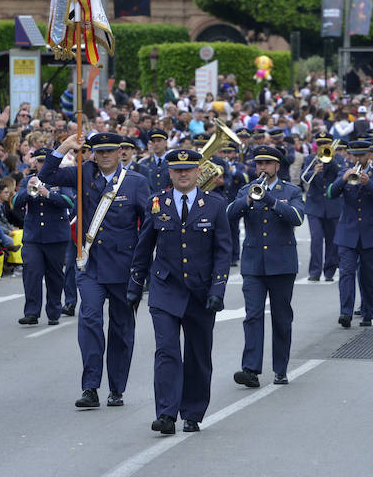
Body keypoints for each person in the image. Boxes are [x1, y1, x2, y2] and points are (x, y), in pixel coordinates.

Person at [39, 132, 150, 409]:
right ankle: (90, 387)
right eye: (98, 152)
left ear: (120, 153)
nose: (104, 157)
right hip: (90, 265)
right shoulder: (83, 174)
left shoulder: (136, 182)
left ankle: (116, 388)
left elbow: (147, 227)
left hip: (124, 268)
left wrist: (144, 267)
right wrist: (65, 146)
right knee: (89, 321)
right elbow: (47, 176)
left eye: (109, 152)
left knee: (122, 330)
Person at [128, 149, 231, 435]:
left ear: (199, 172)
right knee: (167, 350)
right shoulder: (156, 203)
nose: (183, 174)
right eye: (177, 170)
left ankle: (193, 411)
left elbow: (223, 251)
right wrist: (134, 287)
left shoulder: (214, 204)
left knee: (198, 354)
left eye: (188, 169)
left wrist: (218, 289)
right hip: (165, 288)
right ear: (169, 173)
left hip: (200, 291)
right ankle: (166, 414)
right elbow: (144, 247)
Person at [227, 146, 304, 387]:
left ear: (277, 167)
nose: (262, 167)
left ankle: (280, 368)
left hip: (282, 265)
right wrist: (248, 199)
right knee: (253, 316)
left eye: (267, 163)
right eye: (258, 163)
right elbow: (229, 214)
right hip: (253, 265)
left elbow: (297, 218)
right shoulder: (245, 189)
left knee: (281, 318)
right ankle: (250, 369)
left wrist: (269, 199)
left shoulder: (291, 190)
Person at [327, 141, 373, 327]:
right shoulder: (343, 173)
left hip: (370, 233)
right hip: (348, 234)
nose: (357, 159)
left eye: (361, 156)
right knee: (346, 273)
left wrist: (369, 184)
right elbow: (331, 193)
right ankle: (345, 312)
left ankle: (368, 312)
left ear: (368, 156)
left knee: (368, 275)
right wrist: (343, 179)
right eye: (354, 155)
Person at [13, 148, 75, 326]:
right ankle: (31, 312)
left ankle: (54, 311)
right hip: (33, 236)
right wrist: (29, 189)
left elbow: (69, 202)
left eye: (44, 162)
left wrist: (48, 194)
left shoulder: (61, 179)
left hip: (55, 236)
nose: (41, 165)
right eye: (39, 162)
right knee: (31, 272)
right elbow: (16, 203)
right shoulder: (28, 180)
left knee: (54, 276)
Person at [302, 132, 342, 282]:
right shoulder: (310, 159)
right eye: (320, 144)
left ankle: (330, 271)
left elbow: (342, 174)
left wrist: (330, 162)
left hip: (332, 205)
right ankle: (315, 271)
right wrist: (314, 171)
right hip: (315, 206)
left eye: (326, 143)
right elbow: (304, 177)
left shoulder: (338, 159)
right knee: (316, 238)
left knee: (332, 240)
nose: (322, 146)